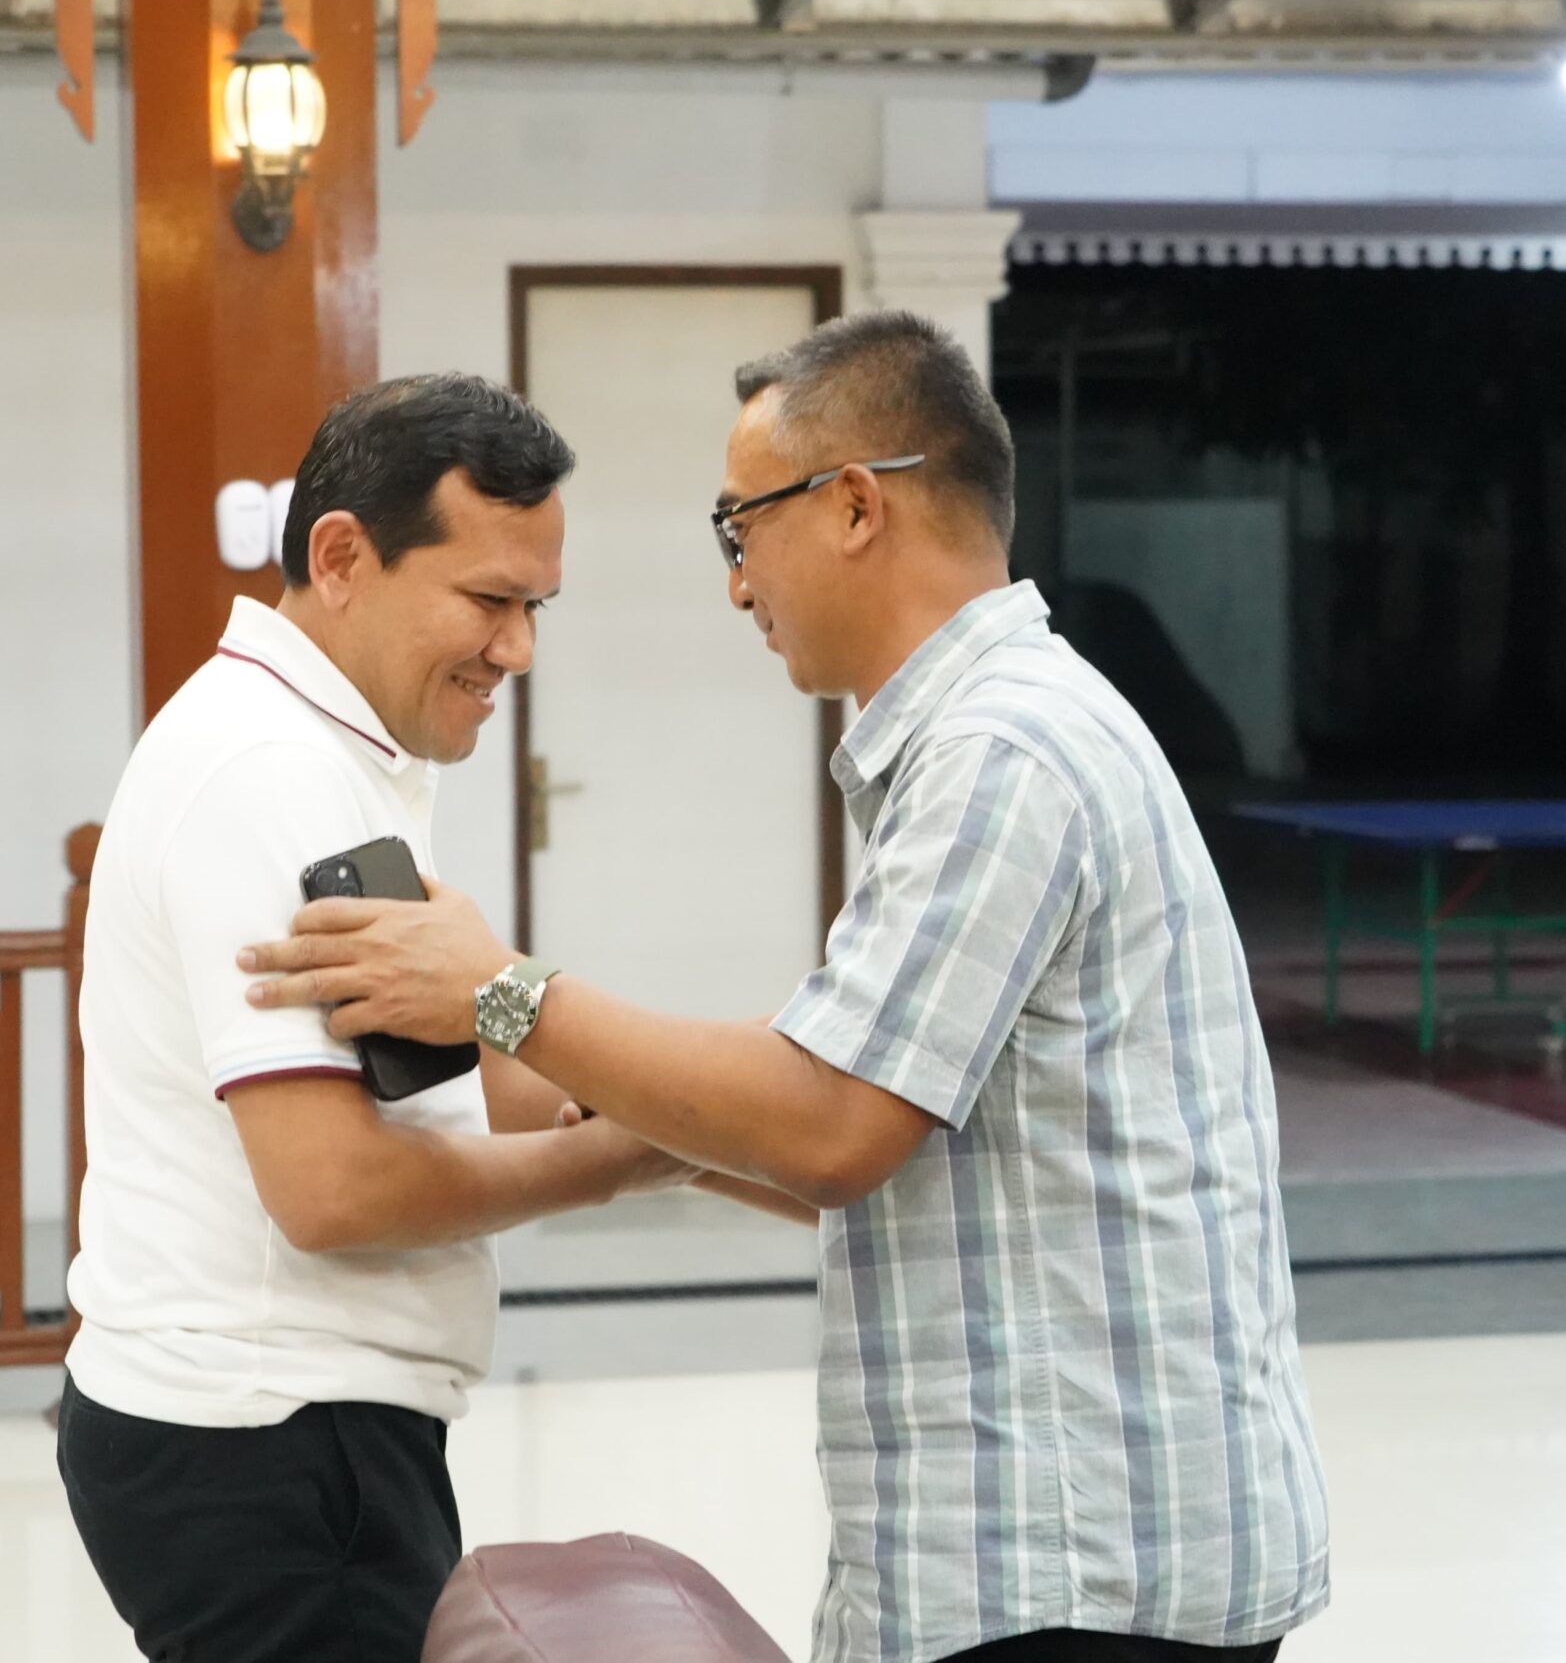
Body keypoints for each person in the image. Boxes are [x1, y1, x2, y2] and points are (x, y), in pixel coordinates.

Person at [238, 312, 1333, 1663]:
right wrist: (631, 1120)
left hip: (1078, 1568)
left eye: (739, 527)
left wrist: (503, 994)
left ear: (857, 505)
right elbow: (861, 1107)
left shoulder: (1003, 755)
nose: (737, 584)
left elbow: (831, 1126)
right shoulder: (998, 734)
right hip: (1068, 1548)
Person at [57, 372, 703, 1663]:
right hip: (266, 1438)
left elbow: (452, 1073)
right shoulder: (270, 771)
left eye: (536, 607)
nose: (517, 650)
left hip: (299, 1430)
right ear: (342, 557)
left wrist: (688, 1094)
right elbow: (333, 1188)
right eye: (488, 601)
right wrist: (619, 1161)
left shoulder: (336, 751)